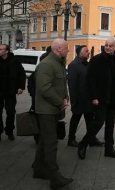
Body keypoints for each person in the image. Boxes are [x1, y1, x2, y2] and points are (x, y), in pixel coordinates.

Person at [32, 38, 73, 189]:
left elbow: (61, 84)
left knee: (44, 139)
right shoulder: (47, 64)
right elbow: (44, 88)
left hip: (52, 109)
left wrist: (66, 97)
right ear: (59, 49)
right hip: (46, 111)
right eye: (67, 48)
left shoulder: (58, 63)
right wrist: (60, 102)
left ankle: (38, 169)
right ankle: (54, 177)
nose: (68, 50)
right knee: (51, 143)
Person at [77, 38, 115, 159]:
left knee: (110, 125)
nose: (108, 47)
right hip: (100, 98)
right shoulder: (97, 60)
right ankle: (83, 144)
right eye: (106, 45)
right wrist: (93, 97)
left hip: (112, 98)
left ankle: (109, 149)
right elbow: (90, 80)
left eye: (111, 46)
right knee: (98, 123)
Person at [67, 45, 104, 147]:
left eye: (88, 51)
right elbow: (72, 85)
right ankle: (71, 139)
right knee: (75, 120)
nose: (88, 53)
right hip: (79, 99)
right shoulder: (74, 65)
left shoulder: (86, 64)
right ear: (80, 53)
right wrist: (74, 101)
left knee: (90, 121)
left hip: (88, 99)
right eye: (86, 51)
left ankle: (91, 138)